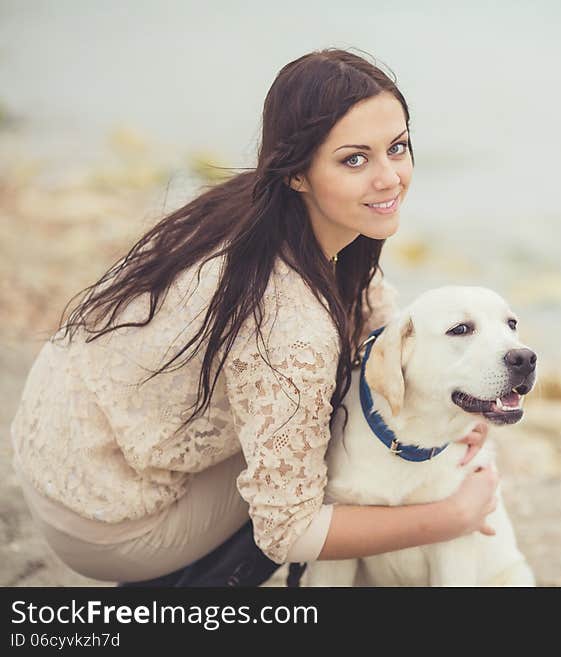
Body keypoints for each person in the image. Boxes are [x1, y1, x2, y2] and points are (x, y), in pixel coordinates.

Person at [9, 48, 498, 587]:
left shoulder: (260, 212)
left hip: (55, 447)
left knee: (331, 416)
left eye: (398, 147)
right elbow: (286, 531)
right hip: (105, 518)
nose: (389, 178)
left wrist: (451, 396)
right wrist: (452, 517)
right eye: (354, 159)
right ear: (298, 173)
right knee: (329, 446)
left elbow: (372, 321)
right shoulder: (291, 321)